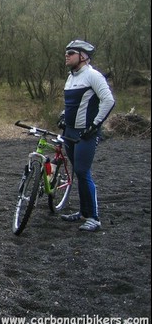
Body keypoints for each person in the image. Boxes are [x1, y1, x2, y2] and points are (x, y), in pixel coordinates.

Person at [59, 40, 115, 232]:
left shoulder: (93, 75)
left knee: (83, 172)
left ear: (83, 56)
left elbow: (108, 100)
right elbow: (72, 104)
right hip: (70, 132)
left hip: (85, 133)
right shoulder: (71, 76)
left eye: (71, 52)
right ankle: (83, 213)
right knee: (78, 173)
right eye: (66, 52)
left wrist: (94, 126)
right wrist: (63, 116)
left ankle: (94, 218)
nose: (67, 55)